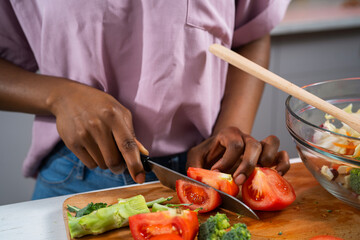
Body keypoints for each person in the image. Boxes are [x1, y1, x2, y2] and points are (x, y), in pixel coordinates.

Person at [0, 0, 291, 200]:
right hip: (78, 173)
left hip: (206, 170)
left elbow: (251, 31)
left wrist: (230, 133)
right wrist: (59, 96)